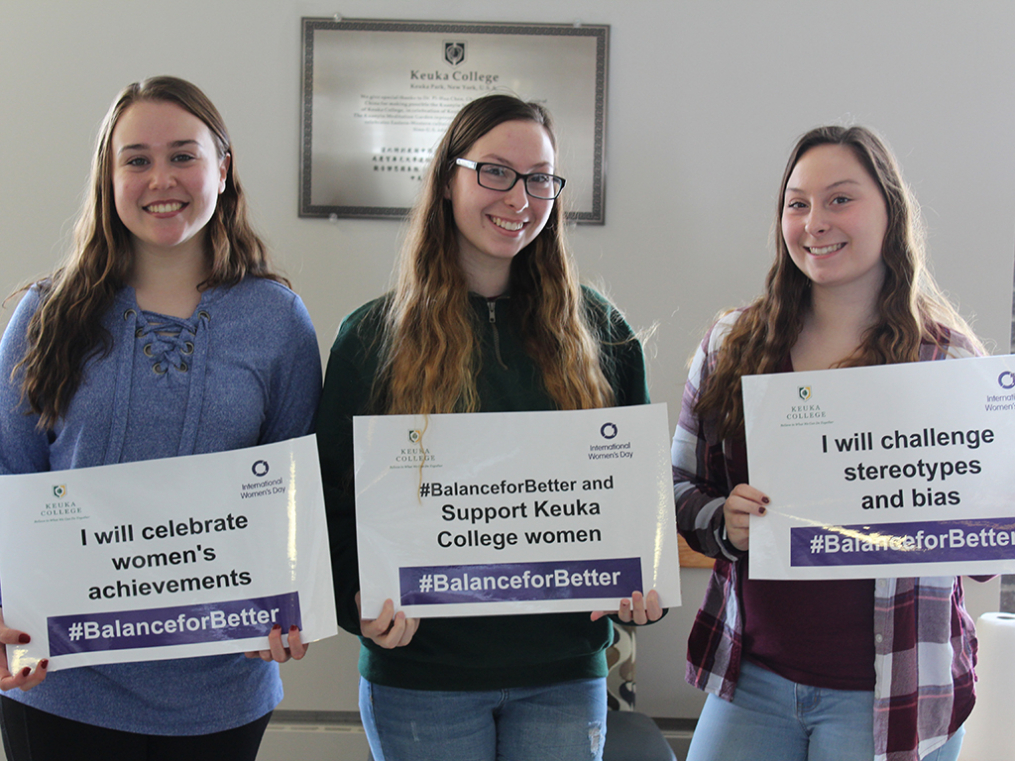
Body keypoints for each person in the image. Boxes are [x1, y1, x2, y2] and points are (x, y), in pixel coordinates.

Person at [316, 93, 663, 761]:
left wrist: (644, 590)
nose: (520, 196)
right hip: (422, 679)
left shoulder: (602, 334)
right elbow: (331, 507)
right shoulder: (370, 338)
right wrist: (353, 600)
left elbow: (637, 502)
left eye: (540, 177)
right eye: (494, 171)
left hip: (563, 674)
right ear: (449, 180)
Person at [0, 76, 321, 760]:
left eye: (183, 155)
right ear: (108, 176)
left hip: (219, 695)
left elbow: (290, 496)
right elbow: (7, 474)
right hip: (59, 682)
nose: (160, 179)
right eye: (136, 159)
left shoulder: (278, 322)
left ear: (222, 167)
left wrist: (291, 597)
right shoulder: (44, 315)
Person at [672, 125, 983, 761]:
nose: (816, 222)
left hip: (890, 693)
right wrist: (723, 521)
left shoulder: (946, 359)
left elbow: (985, 542)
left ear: (890, 211)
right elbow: (680, 490)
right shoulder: (732, 344)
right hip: (752, 680)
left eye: (841, 199)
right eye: (797, 203)